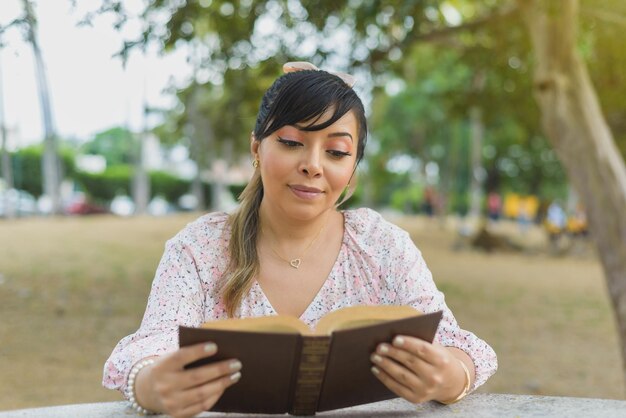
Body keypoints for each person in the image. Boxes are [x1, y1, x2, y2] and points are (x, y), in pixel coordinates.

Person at [103, 62, 497, 418]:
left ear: (353, 166)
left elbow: (459, 345)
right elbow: (148, 349)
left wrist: (449, 377)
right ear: (257, 148)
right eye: (292, 143)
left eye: (336, 151)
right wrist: (152, 386)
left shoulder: (382, 245)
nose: (312, 164)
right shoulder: (200, 247)